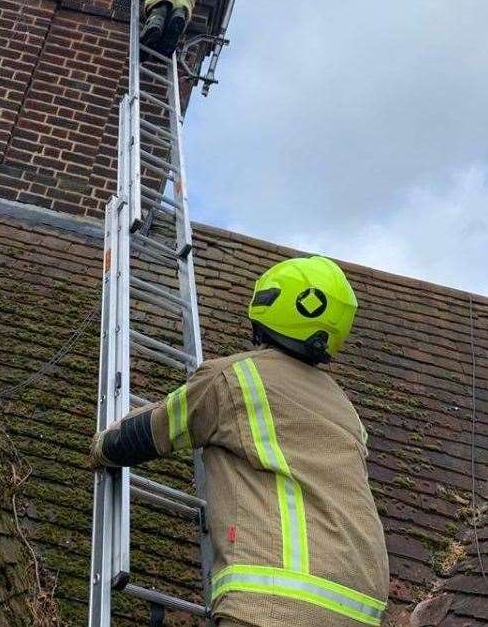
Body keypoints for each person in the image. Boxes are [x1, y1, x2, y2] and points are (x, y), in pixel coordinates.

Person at [91, 255, 390, 627]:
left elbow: (151, 431)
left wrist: (102, 447)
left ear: (265, 308)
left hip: (275, 603)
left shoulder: (235, 377)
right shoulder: (347, 411)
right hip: (361, 609)